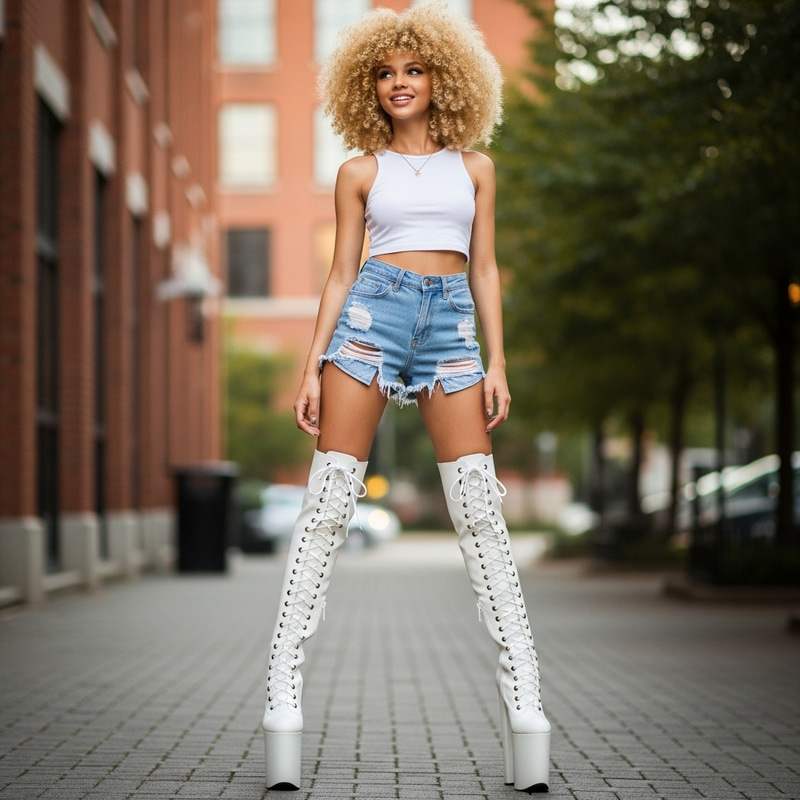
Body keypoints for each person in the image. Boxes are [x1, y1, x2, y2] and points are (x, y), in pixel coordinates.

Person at [261, 3, 550, 793]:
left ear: (443, 78)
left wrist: (497, 360)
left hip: (452, 327)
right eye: (385, 72)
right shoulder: (360, 171)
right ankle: (283, 690)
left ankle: (526, 699)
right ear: (368, 85)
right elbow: (340, 273)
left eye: (413, 69)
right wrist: (310, 365)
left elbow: (485, 267)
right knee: (326, 509)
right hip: (368, 324)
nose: (398, 83)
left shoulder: (477, 167)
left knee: (481, 515)